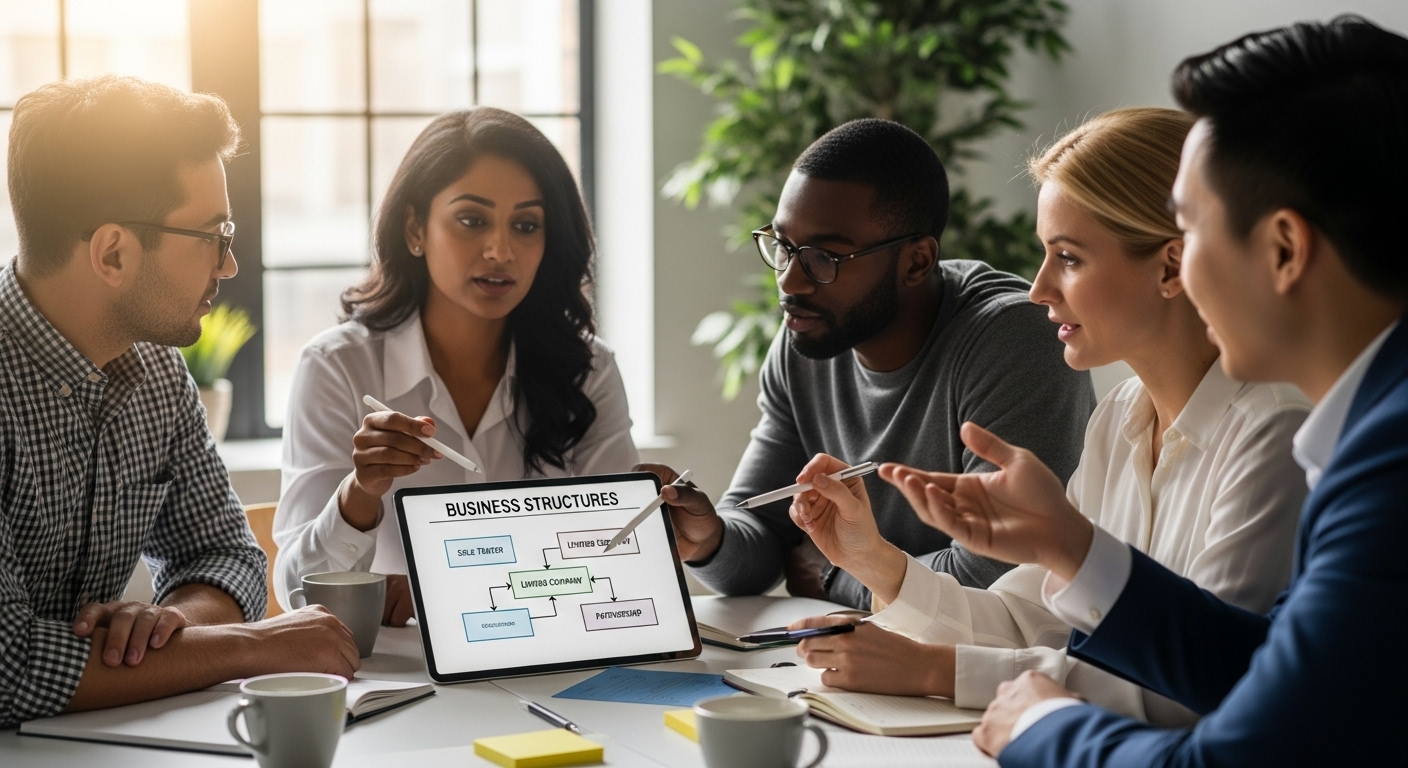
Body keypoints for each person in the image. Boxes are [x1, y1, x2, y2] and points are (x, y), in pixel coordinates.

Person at [876, 16, 1408, 765]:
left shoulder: (1385, 461)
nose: (1184, 268)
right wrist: (1069, 544)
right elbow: (1258, 670)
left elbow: (1232, 754)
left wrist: (1037, 726)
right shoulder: (1364, 433)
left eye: (1193, 230)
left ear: (1284, 249)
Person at [783, 108, 1310, 726]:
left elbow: (1201, 685)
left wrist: (935, 671)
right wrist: (873, 559)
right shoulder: (1120, 417)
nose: (1038, 289)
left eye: (1069, 258)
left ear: (1170, 268)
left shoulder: (1273, 433)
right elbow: (1028, 619)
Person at [0, 76, 360, 727]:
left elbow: (229, 558)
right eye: (212, 236)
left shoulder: (158, 370)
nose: (229, 266)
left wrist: (165, 627)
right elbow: (9, 667)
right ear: (114, 253)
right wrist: (254, 645)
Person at [642, 119, 1095, 609]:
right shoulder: (807, 341)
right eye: (784, 246)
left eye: (824, 257)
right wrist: (709, 539)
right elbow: (761, 535)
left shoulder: (1012, 341)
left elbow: (999, 578)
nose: (790, 281)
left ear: (916, 262)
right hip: (884, 641)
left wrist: (835, 575)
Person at [275, 108, 638, 624]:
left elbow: (618, 560)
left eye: (526, 226)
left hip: (546, 657)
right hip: (402, 670)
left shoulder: (589, 369)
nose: (500, 251)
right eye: (472, 220)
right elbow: (296, 591)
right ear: (415, 228)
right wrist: (361, 493)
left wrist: (441, 591)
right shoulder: (337, 367)